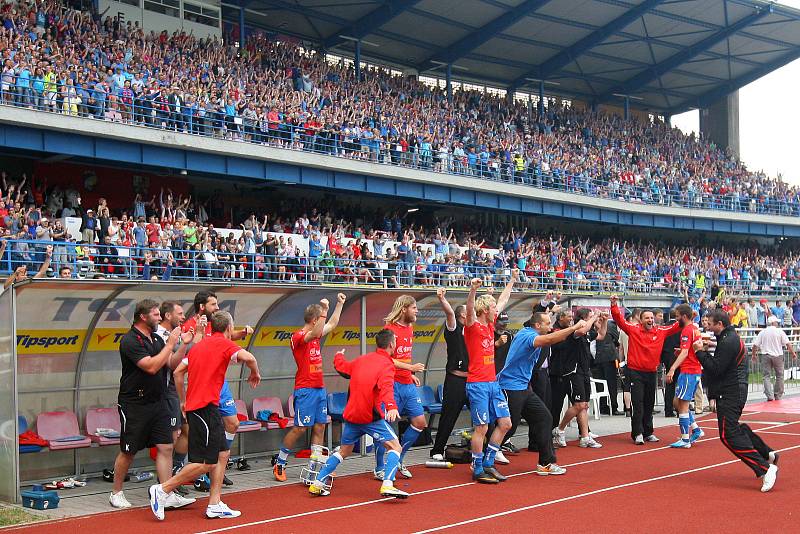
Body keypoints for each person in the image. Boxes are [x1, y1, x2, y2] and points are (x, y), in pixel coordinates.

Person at [149, 311, 262, 520]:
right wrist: (254, 372)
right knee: (206, 463)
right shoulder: (224, 344)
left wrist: (183, 400)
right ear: (229, 328)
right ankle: (163, 489)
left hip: (199, 407)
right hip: (205, 408)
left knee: (221, 454)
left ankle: (215, 503)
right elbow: (249, 357)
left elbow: (177, 373)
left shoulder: (198, 347)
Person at [110, 299, 193, 510]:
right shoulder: (130, 340)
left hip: (158, 401)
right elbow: (151, 367)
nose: (159, 318)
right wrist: (170, 344)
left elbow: (171, 365)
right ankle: (116, 492)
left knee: (166, 446)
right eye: (155, 315)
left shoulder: (155, 339)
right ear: (143, 317)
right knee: (129, 450)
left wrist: (183, 344)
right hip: (135, 403)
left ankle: (166, 492)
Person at [308, 329, 409, 499]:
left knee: (344, 451)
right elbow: (386, 387)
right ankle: (388, 484)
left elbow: (342, 367)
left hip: (351, 415)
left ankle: (318, 483)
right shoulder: (387, 364)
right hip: (369, 416)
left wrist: (338, 355)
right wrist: (391, 406)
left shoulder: (362, 360)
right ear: (392, 345)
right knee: (395, 447)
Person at [694, 310, 779, 492]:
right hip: (735, 390)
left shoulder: (727, 341)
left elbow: (716, 369)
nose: (707, 326)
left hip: (730, 391)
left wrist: (700, 353)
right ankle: (766, 453)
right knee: (735, 428)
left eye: (710, 323)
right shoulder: (730, 337)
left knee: (727, 435)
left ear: (720, 324)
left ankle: (765, 467)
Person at [497, 311, 587, 475]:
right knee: (508, 426)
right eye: (547, 323)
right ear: (537, 325)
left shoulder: (532, 334)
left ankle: (545, 463)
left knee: (544, 417)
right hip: (509, 386)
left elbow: (551, 338)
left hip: (523, 387)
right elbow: (550, 339)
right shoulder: (528, 335)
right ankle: (481, 455)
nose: (550, 326)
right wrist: (573, 327)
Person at [181, 290, 254, 484]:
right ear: (202, 307)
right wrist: (197, 333)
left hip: (219, 383)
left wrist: (243, 333)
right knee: (189, 432)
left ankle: (218, 464)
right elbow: (187, 356)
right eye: (214, 304)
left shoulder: (217, 324)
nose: (218, 307)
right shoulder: (190, 326)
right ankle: (189, 471)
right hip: (201, 384)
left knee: (233, 423)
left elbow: (225, 339)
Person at [273, 293, 346, 482]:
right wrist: (324, 311)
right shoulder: (298, 337)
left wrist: (339, 304)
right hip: (305, 390)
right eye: (320, 318)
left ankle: (316, 468)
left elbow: (332, 325)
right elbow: (314, 332)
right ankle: (280, 463)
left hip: (319, 389)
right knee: (300, 428)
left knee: (320, 427)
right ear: (314, 320)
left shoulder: (316, 333)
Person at [464, 271, 516, 484]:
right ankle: (477, 468)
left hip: (493, 383)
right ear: (485, 310)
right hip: (477, 384)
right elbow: (469, 312)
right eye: (493, 307)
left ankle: (488, 461)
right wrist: (473, 290)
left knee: (505, 423)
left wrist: (512, 280)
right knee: (482, 427)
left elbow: (503, 300)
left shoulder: (490, 325)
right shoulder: (473, 327)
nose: (497, 310)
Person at [611, 296, 681, 445]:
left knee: (649, 403)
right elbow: (619, 320)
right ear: (641, 320)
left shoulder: (661, 330)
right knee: (638, 403)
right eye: (647, 318)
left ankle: (648, 432)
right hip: (635, 372)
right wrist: (614, 305)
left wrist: (689, 316)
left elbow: (677, 326)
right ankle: (637, 433)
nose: (650, 320)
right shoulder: (633, 329)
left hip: (651, 372)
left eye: (651, 317)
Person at [374, 295, 426, 480]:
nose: (416, 311)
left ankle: (398, 460)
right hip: (391, 384)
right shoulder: (389, 329)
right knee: (385, 428)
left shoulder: (410, 328)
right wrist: (410, 368)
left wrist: (410, 374)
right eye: (414, 308)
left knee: (420, 422)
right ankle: (380, 467)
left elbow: (402, 357)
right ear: (404, 309)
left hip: (407, 384)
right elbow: (386, 358)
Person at [154, 301, 196, 497]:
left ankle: (174, 474)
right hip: (165, 392)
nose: (182, 317)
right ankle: (165, 485)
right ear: (168, 316)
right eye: (179, 314)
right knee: (169, 440)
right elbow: (171, 365)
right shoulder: (161, 335)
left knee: (185, 430)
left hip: (172, 391)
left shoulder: (174, 335)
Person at [552, 309, 605, 449]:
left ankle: (585, 437)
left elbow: (601, 335)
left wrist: (604, 321)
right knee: (579, 405)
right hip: (573, 371)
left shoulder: (587, 332)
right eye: (589, 316)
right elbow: (582, 330)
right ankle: (560, 429)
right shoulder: (574, 331)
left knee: (584, 405)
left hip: (584, 370)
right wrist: (594, 317)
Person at [430, 287, 468, 461]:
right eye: (469, 312)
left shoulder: (475, 330)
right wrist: (442, 299)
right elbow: (450, 314)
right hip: (455, 380)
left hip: (474, 380)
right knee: (448, 416)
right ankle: (437, 450)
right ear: (463, 316)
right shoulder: (454, 328)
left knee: (487, 415)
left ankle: (488, 448)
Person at [665, 304, 705, 448]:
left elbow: (685, 352)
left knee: (682, 404)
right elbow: (688, 350)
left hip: (689, 371)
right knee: (677, 402)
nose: (676, 320)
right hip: (691, 370)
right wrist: (681, 351)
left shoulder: (687, 330)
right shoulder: (694, 328)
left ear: (684, 316)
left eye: (677, 317)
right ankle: (695, 429)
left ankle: (685, 438)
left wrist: (672, 368)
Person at [752, 315, 797, 401]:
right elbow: (788, 344)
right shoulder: (779, 331)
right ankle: (778, 394)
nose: (777, 323)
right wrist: (793, 353)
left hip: (766, 355)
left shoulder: (763, 332)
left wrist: (754, 355)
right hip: (778, 355)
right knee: (779, 375)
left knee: (766, 376)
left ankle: (769, 395)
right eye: (776, 322)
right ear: (773, 323)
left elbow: (755, 345)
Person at [592, 314, 622, 415]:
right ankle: (603, 407)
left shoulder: (610, 326)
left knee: (611, 383)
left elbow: (617, 341)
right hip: (595, 361)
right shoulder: (589, 329)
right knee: (600, 384)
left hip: (608, 358)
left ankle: (613, 406)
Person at [660, 310, 681, 417]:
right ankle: (678, 408)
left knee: (670, 384)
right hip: (677, 356)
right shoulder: (680, 327)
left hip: (666, 356)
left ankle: (668, 408)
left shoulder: (664, 327)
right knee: (678, 384)